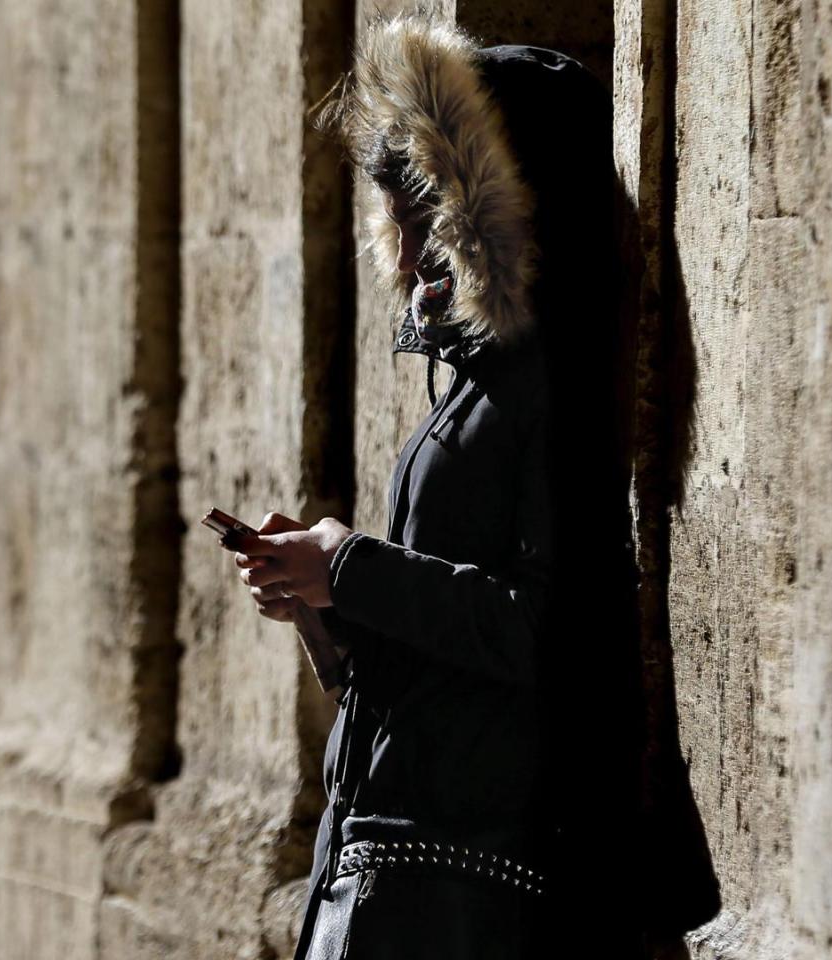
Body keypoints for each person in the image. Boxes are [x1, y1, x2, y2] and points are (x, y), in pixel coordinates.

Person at [230, 10, 646, 959]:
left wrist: (350, 565)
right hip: (390, 861)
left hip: (461, 888)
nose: (412, 260)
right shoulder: (478, 391)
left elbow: (554, 633)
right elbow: (432, 675)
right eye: (402, 224)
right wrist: (319, 608)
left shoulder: (550, 391)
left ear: (501, 211)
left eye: (432, 222)